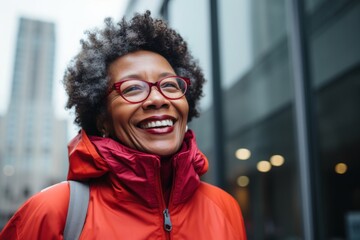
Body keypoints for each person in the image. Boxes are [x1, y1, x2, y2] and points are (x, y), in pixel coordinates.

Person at [0, 11, 247, 239]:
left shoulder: (225, 207)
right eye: (132, 88)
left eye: (170, 85)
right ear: (102, 119)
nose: (158, 99)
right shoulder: (54, 211)